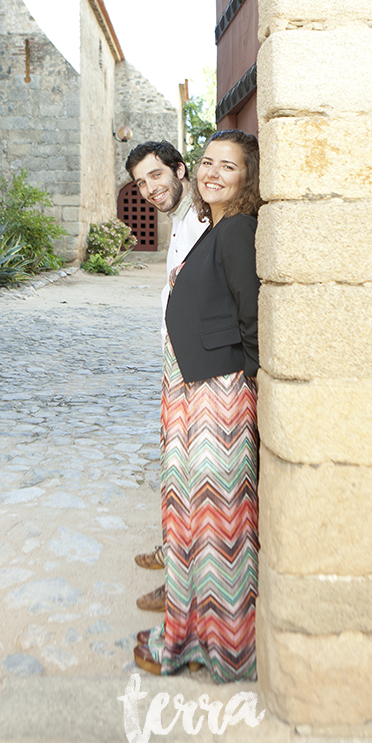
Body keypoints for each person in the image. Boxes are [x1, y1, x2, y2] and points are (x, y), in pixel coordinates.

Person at [135, 129, 261, 682]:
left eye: (227, 167)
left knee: (215, 521)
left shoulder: (235, 232)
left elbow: (252, 320)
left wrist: (248, 387)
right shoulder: (214, 225)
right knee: (191, 513)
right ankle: (187, 633)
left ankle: (224, 646)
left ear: (246, 177)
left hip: (218, 395)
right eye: (208, 161)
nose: (213, 172)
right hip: (195, 388)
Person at [124, 141, 210, 611]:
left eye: (157, 175)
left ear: (179, 170)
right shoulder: (179, 222)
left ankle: (184, 581)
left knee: (189, 477)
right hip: (177, 364)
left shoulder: (204, 222)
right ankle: (173, 555)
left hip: (202, 371)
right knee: (175, 473)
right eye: (141, 182)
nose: (150, 188)